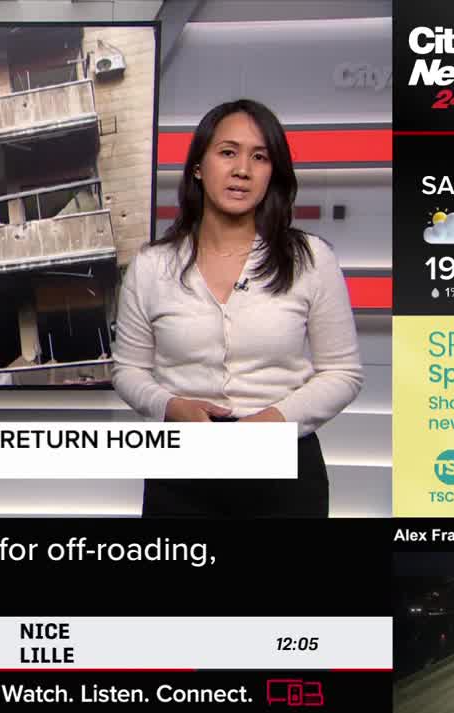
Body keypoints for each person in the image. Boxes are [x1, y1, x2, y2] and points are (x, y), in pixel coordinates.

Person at [111, 99, 363, 518]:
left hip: (284, 463)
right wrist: (171, 407)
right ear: (198, 166)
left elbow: (343, 372)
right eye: (228, 152)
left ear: (272, 174)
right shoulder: (151, 265)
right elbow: (128, 370)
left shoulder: (311, 259)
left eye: (259, 157)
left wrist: (276, 421)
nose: (242, 169)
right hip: (183, 463)